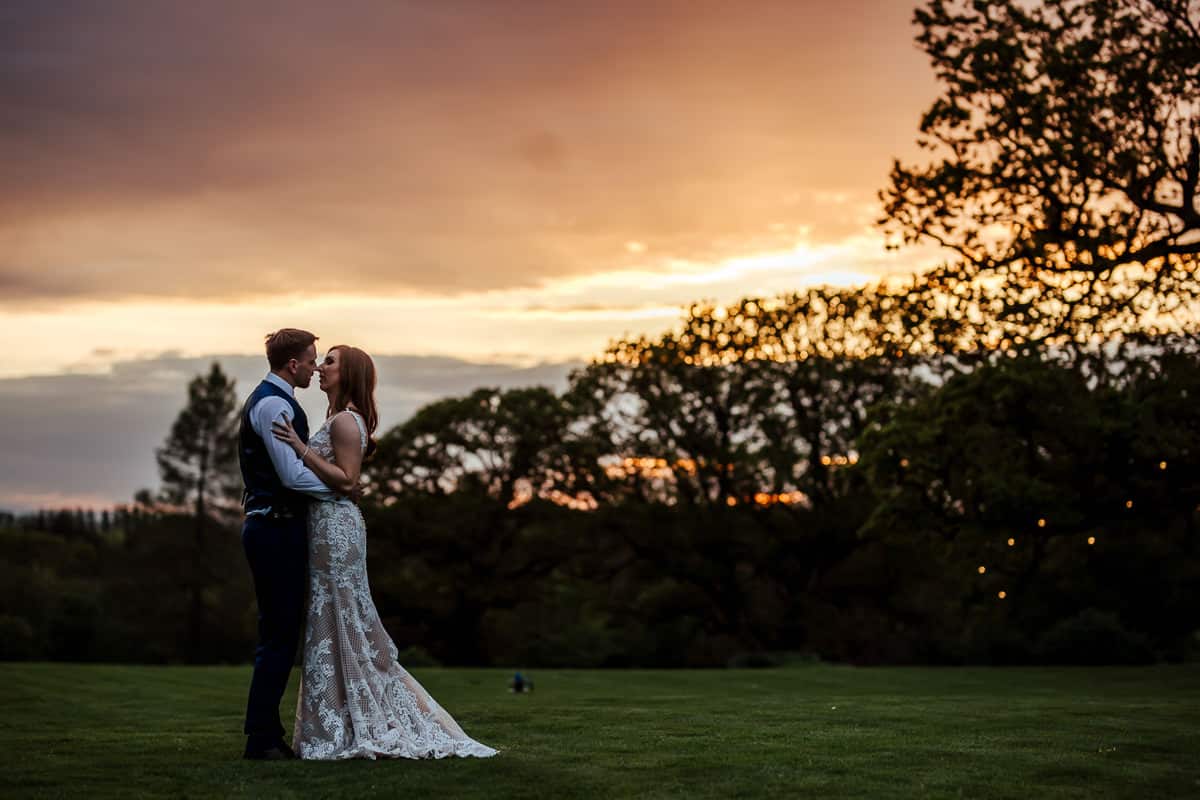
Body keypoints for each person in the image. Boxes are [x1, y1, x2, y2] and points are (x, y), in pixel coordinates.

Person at [272, 344, 497, 760]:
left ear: (350, 372)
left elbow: (346, 479)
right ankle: (339, 717)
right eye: (321, 361)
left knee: (343, 615)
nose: (321, 368)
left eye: (330, 362)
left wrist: (299, 448)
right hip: (327, 527)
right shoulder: (338, 418)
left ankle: (354, 721)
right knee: (334, 616)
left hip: (336, 530)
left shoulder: (344, 420)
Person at [239, 328, 342, 760]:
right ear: (294, 364)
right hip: (274, 526)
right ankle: (261, 739)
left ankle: (265, 733)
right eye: (313, 360)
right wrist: (340, 490)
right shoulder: (274, 404)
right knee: (278, 635)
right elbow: (291, 476)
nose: (317, 367)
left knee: (280, 632)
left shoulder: (279, 401)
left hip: (279, 527)